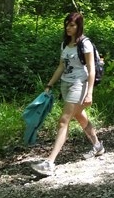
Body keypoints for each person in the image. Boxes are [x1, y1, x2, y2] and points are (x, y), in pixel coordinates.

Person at [31, 12, 104, 176]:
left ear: (79, 26)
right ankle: (98, 146)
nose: (68, 28)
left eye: (72, 25)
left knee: (64, 120)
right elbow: (61, 66)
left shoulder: (85, 44)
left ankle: (50, 162)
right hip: (66, 84)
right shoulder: (65, 45)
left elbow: (91, 69)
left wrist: (90, 93)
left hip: (80, 84)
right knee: (79, 116)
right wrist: (50, 84)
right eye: (67, 24)